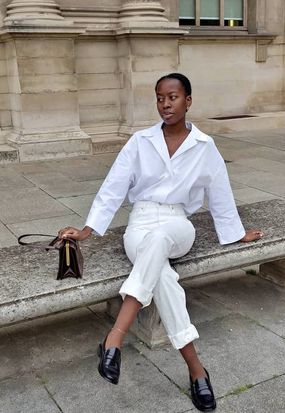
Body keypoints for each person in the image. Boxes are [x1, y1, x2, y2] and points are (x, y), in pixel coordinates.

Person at [58, 73, 264, 412]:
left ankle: (114, 339)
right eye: (159, 98)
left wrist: (236, 233)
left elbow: (220, 192)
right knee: (163, 277)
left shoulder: (204, 146)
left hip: (177, 225)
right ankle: (197, 371)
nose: (165, 104)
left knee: (160, 242)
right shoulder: (140, 141)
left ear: (188, 100)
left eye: (172, 97)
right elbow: (114, 186)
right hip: (139, 225)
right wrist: (87, 229)